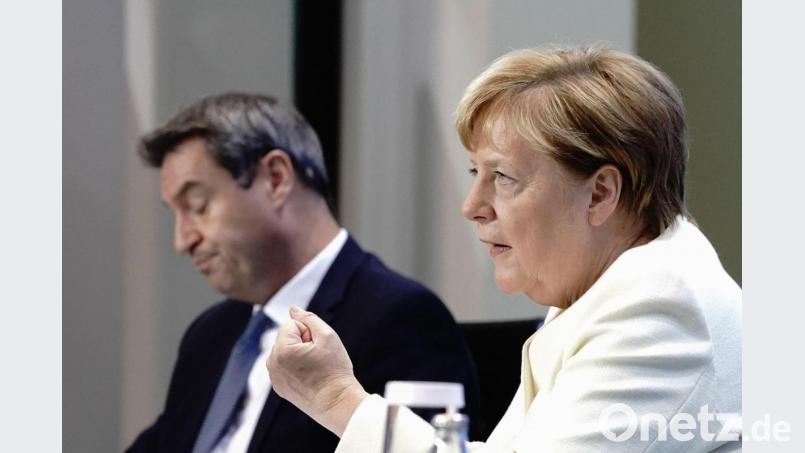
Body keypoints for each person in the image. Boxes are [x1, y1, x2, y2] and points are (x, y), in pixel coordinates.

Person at [266, 47, 742, 452]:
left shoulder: (660, 312)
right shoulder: (605, 291)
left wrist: (337, 398)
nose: (472, 207)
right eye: (477, 173)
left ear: (600, 194)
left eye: (504, 177)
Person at [125, 93, 480, 453]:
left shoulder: (400, 316)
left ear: (276, 178)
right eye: (176, 213)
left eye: (198, 206)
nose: (182, 240)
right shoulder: (210, 334)